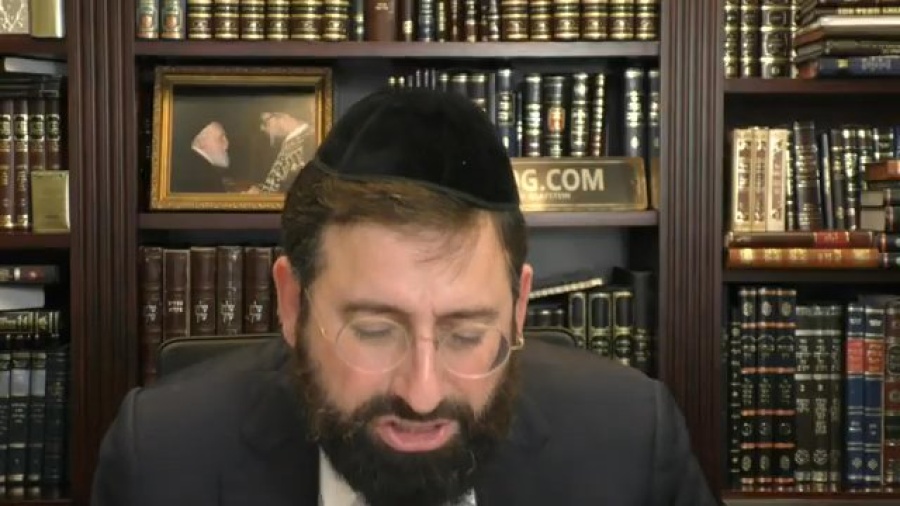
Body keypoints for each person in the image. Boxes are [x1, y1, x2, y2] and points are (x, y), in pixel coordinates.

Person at [91, 88, 719, 506]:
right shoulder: (160, 461)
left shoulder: (631, 443)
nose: (422, 393)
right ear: (291, 303)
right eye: (374, 331)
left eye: (466, 334)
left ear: (519, 308)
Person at [246, 111, 312, 193]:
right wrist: (260, 190)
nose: (262, 128)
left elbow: (295, 186)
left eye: (265, 123)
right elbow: (278, 182)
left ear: (283, 115)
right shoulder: (291, 141)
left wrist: (262, 193)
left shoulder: (309, 141)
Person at [171, 120, 230, 193]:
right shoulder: (204, 174)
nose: (226, 145)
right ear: (201, 142)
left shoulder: (189, 165)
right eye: (220, 138)